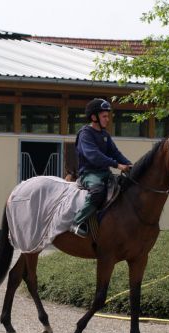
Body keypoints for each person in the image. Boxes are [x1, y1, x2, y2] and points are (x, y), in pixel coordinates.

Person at [70, 98, 132, 238]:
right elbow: (94, 156)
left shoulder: (105, 135)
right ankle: (77, 222)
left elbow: (116, 153)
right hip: (89, 174)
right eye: (104, 116)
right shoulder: (85, 134)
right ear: (94, 117)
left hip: (104, 173)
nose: (107, 119)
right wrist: (117, 165)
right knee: (98, 192)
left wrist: (129, 165)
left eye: (108, 116)